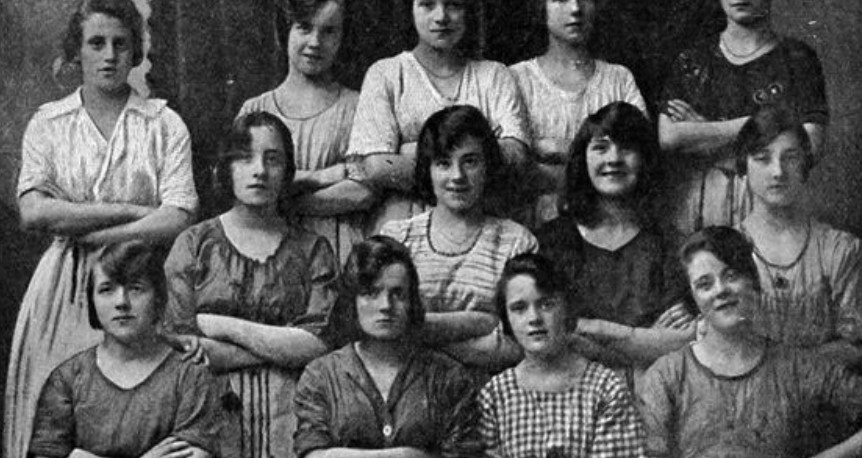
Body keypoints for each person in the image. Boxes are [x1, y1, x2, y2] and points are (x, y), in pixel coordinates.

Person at [6, 0, 198, 456]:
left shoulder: (163, 124)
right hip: (63, 288)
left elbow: (179, 215)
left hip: (142, 282)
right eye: (96, 43)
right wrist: (132, 212)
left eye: (120, 44)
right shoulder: (49, 123)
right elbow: (34, 212)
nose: (109, 55)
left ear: (135, 51)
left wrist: (96, 235)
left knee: (142, 419)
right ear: (77, 51)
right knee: (60, 420)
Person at [162, 112, 339, 458]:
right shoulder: (195, 244)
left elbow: (318, 344)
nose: (259, 170)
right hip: (207, 415)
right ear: (226, 168)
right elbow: (181, 345)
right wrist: (282, 346)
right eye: (244, 158)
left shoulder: (313, 249)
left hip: (296, 413)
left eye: (273, 159)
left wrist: (220, 325)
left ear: (287, 171)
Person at [637, 226, 862, 458]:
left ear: (753, 281)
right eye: (705, 284)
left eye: (731, 276)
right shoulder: (667, 377)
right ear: (693, 298)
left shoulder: (796, 368)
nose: (720, 290)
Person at [536, 102, 693, 385]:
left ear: (645, 160)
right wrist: (647, 340)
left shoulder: (670, 245)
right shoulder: (552, 242)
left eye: (627, 148)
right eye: (601, 147)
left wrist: (592, 334)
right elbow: (554, 337)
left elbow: (681, 341)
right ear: (582, 159)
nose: (614, 158)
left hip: (653, 389)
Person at [347, 0, 530, 234]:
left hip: (479, 223)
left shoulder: (494, 75)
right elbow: (377, 167)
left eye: (454, 5)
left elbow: (515, 156)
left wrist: (409, 151)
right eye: (427, 5)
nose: (441, 16)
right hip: (403, 221)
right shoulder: (386, 74)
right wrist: (474, 155)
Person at [294, 235, 484, 458]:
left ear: (412, 302)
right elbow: (311, 454)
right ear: (353, 301)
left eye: (398, 294)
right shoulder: (322, 376)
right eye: (371, 293)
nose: (385, 306)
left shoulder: (448, 377)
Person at [379, 105, 537, 373]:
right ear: (428, 170)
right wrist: (481, 322)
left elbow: (519, 343)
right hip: (407, 385)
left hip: (492, 388)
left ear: (488, 167)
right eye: (443, 163)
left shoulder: (516, 243)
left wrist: (421, 333)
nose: (457, 176)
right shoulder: (396, 238)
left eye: (470, 162)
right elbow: (380, 331)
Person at [29, 241, 222, 458]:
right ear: (92, 301)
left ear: (159, 299)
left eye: (136, 288)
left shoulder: (190, 376)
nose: (121, 302)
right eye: (106, 290)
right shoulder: (67, 379)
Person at [658, 0, 828, 234]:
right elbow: (669, 136)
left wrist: (704, 131)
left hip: (770, 203)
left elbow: (810, 144)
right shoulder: (693, 59)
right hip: (701, 203)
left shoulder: (797, 58)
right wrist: (767, 124)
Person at [479, 253, 646, 458]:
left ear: (567, 308)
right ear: (506, 318)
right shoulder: (495, 396)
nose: (534, 318)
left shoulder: (605, 389)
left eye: (546, 304)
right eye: (519, 308)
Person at [238, 0, 365, 264]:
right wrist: (320, 177)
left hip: (338, 251)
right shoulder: (255, 109)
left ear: (342, 37)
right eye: (304, 28)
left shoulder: (358, 107)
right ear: (285, 31)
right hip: (269, 249)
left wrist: (283, 198)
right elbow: (240, 186)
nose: (315, 42)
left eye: (328, 31)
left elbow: (362, 191)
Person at [735, 107, 862, 366]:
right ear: (743, 167)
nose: (778, 171)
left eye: (790, 157)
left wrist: (784, 366)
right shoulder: (724, 250)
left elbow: (855, 346)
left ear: (805, 166)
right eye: (762, 158)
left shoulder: (839, 249)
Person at [510, 0, 647, 227]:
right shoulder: (516, 79)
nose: (575, 8)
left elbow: (639, 155)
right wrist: (594, 161)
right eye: (561, 0)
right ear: (542, 8)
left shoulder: (619, 79)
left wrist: (549, 151)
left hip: (608, 225)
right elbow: (514, 169)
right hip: (534, 225)